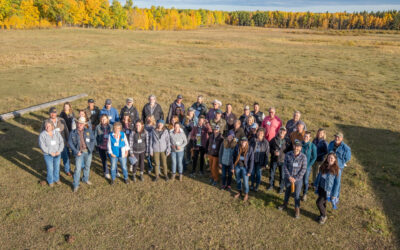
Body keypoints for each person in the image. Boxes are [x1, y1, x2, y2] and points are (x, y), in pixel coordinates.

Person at [278, 139, 307, 219]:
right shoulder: (288, 154)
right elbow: (285, 166)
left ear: (300, 148)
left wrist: (296, 178)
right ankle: (285, 204)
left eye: (298, 147)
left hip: (298, 180)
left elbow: (303, 169)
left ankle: (297, 208)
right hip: (288, 178)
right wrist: (289, 177)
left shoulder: (303, 157)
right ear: (293, 146)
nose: (296, 148)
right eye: (295, 146)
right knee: (287, 191)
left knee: (296, 195)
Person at [68, 117, 95, 192]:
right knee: (77, 169)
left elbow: (93, 140)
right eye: (79, 123)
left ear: (84, 124)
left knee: (87, 166)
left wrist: (91, 149)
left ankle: (85, 179)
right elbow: (70, 143)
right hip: (79, 153)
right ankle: (76, 184)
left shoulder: (88, 131)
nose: (80, 125)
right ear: (77, 123)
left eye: (82, 123)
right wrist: (76, 151)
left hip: (88, 152)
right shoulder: (72, 133)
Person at [41, 107, 71, 176]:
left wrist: (68, 140)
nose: (53, 114)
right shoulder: (46, 122)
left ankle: (67, 170)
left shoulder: (62, 120)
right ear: (49, 113)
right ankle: (55, 171)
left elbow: (66, 130)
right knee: (53, 158)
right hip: (52, 144)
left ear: (56, 113)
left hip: (62, 143)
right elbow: (42, 133)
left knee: (65, 156)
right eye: (51, 113)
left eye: (54, 112)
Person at [314, 152, 340, 224]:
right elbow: (319, 176)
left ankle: (324, 216)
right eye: (329, 157)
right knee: (323, 203)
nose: (330, 159)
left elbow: (337, 183)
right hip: (321, 187)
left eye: (332, 158)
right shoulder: (324, 165)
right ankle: (321, 215)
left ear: (335, 159)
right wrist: (316, 183)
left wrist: (334, 194)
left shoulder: (337, 169)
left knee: (319, 203)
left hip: (328, 190)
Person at [39, 120, 64, 187]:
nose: (47, 127)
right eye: (46, 126)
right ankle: (50, 181)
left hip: (57, 154)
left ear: (52, 126)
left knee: (57, 167)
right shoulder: (42, 135)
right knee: (50, 168)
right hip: (48, 155)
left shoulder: (57, 133)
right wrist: (50, 152)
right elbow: (42, 146)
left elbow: (61, 142)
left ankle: (56, 179)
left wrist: (59, 151)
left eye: (49, 126)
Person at [327, 132, 351, 201]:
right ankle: (329, 193)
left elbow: (347, 158)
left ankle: (335, 196)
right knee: (330, 179)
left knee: (337, 181)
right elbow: (328, 151)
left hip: (338, 167)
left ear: (341, 138)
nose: (336, 138)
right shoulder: (331, 143)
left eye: (338, 137)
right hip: (330, 164)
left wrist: (340, 162)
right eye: (336, 137)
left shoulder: (346, 148)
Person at [233, 137, 255, 202]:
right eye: (242, 141)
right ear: (240, 142)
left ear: (247, 142)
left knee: (245, 182)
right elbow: (233, 157)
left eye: (245, 141)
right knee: (238, 180)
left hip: (245, 167)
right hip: (237, 166)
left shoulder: (250, 149)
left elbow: (251, 160)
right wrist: (232, 167)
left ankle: (246, 193)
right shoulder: (237, 147)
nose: (243, 143)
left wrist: (250, 171)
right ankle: (239, 191)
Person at [269, 127, 290, 193]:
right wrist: (273, 152)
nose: (282, 132)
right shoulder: (273, 139)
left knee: (282, 175)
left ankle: (281, 187)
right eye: (281, 130)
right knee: (272, 173)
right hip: (274, 159)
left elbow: (290, 151)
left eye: (284, 131)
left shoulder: (288, 141)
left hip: (283, 161)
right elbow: (269, 148)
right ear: (278, 131)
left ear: (285, 132)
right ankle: (271, 185)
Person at [94, 115, 113, 179]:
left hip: (109, 147)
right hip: (101, 146)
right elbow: (95, 136)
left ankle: (115, 171)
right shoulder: (98, 127)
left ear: (107, 120)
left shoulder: (111, 126)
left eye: (104, 119)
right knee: (104, 160)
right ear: (100, 120)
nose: (103, 120)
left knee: (112, 160)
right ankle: (106, 172)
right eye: (102, 119)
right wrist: (97, 145)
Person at [301, 131, 317, 201]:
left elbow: (314, 157)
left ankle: (305, 193)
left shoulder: (312, 146)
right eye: (305, 136)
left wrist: (309, 165)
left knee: (305, 181)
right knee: (298, 180)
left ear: (310, 138)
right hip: (299, 166)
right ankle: (297, 191)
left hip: (307, 167)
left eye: (307, 137)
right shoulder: (300, 144)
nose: (305, 138)